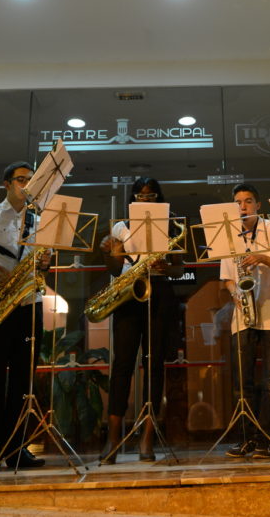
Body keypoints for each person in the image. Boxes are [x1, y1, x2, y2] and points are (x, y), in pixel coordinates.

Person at [0, 161, 52, 470]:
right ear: (6, 184)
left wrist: (45, 261)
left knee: (23, 381)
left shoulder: (40, 221)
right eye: (21, 179)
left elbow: (44, 265)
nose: (26, 185)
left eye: (31, 181)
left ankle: (17, 449)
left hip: (29, 304)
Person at [97, 177, 184, 463]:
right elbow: (113, 268)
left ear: (159, 197)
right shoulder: (121, 227)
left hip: (158, 293)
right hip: (128, 294)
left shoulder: (171, 225)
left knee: (154, 365)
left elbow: (178, 270)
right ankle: (113, 440)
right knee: (122, 365)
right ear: (132, 198)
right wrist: (111, 251)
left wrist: (165, 267)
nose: (145, 200)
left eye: (151, 195)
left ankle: (147, 440)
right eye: (140, 195)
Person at [218, 183, 270, 459]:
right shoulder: (226, 234)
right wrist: (234, 292)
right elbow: (227, 278)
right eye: (238, 202)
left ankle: (266, 439)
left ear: (258, 205)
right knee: (243, 383)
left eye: (248, 201)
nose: (243, 207)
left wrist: (262, 258)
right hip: (244, 313)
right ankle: (247, 438)